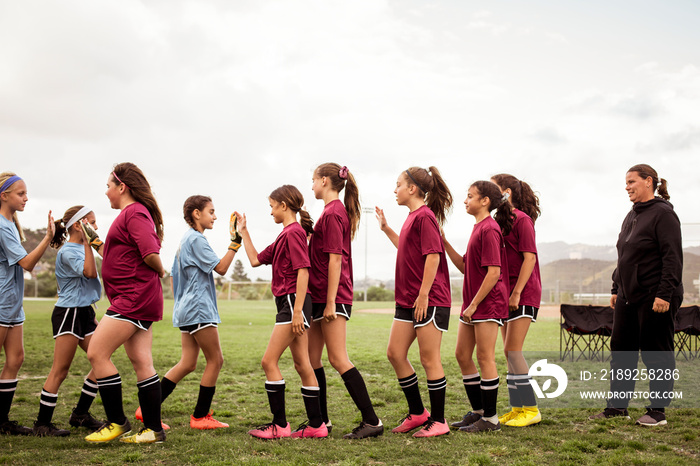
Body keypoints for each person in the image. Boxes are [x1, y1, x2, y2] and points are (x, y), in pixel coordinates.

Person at [134, 195, 240, 430]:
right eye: (211, 212)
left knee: (188, 363)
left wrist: (183, 300)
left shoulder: (185, 239)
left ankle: (146, 408)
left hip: (186, 310)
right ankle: (200, 417)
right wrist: (236, 242)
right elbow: (221, 268)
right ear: (196, 214)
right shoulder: (197, 239)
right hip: (200, 310)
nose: (215, 216)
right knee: (216, 360)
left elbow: (172, 275)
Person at [590, 164, 683, 427]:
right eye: (626, 182)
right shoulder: (632, 214)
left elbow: (672, 258)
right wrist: (616, 288)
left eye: (632, 181)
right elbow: (626, 256)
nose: (627, 186)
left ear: (649, 182)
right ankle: (618, 407)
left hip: (656, 296)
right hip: (628, 296)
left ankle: (657, 411)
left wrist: (664, 294)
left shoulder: (663, 214)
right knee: (622, 351)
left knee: (657, 353)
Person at [236, 185, 328, 440]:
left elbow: (303, 270)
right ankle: (317, 426)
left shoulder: (294, 233)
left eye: (272, 206)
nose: (271, 212)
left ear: (284, 206)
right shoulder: (284, 235)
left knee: (268, 361)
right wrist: (244, 232)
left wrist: (297, 311)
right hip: (292, 303)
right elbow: (254, 260)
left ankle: (280, 425)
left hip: (292, 303)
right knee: (302, 364)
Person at [85, 163, 167, 444]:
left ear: (122, 187)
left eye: (109, 185)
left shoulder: (133, 212)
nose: (106, 191)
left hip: (133, 298)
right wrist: (96, 243)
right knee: (142, 362)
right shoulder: (131, 213)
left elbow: (149, 252)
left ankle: (117, 422)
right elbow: (119, 254)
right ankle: (153, 431)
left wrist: (161, 269)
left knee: (96, 353)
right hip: (136, 297)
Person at [375, 166, 453, 438]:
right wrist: (386, 229)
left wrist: (423, 295)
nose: (394, 190)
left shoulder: (425, 217)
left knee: (428, 358)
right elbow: (408, 249)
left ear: (412, 189)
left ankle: (440, 421)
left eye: (398, 184)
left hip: (428, 300)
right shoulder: (411, 218)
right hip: (408, 300)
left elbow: (433, 256)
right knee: (395, 353)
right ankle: (419, 413)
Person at [308, 163, 383, 439]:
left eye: (313, 180)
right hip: (319, 295)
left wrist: (330, 302)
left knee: (338, 358)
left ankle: (372, 421)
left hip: (333, 296)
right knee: (311, 358)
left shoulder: (334, 212)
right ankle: (321, 422)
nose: (312, 185)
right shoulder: (328, 212)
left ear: (325, 181)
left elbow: (336, 260)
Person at [444, 180, 512, 433]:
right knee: (462, 355)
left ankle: (491, 419)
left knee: (484, 357)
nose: (465, 200)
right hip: (473, 304)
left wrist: (473, 305)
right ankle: (479, 412)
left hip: (487, 304)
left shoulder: (490, 229)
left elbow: (494, 273)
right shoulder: (478, 228)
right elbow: (465, 267)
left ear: (485, 201)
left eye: (470, 196)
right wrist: (444, 243)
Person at [32, 206, 104, 437]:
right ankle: (42, 424)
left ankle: (80, 414)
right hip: (69, 313)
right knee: (60, 370)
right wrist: (89, 244)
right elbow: (91, 273)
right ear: (78, 225)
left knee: (101, 362)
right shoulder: (69, 251)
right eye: (91, 223)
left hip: (84, 311)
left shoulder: (82, 248)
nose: (96, 227)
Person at [0, 172, 55, 435]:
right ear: (4, 196)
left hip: (12, 304)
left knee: (16, 359)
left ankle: (2, 421)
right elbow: (28, 264)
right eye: (20, 193)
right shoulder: (1, 225)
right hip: (1, 303)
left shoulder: (10, 224)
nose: (26, 198)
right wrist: (47, 237)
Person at [490, 174, 542, 427]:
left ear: (507, 193)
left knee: (513, 350)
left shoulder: (522, 220)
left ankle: (531, 409)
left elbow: (529, 258)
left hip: (523, 294)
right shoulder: (499, 222)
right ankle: (517, 408)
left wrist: (517, 292)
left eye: (494, 188)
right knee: (508, 352)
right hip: (507, 295)